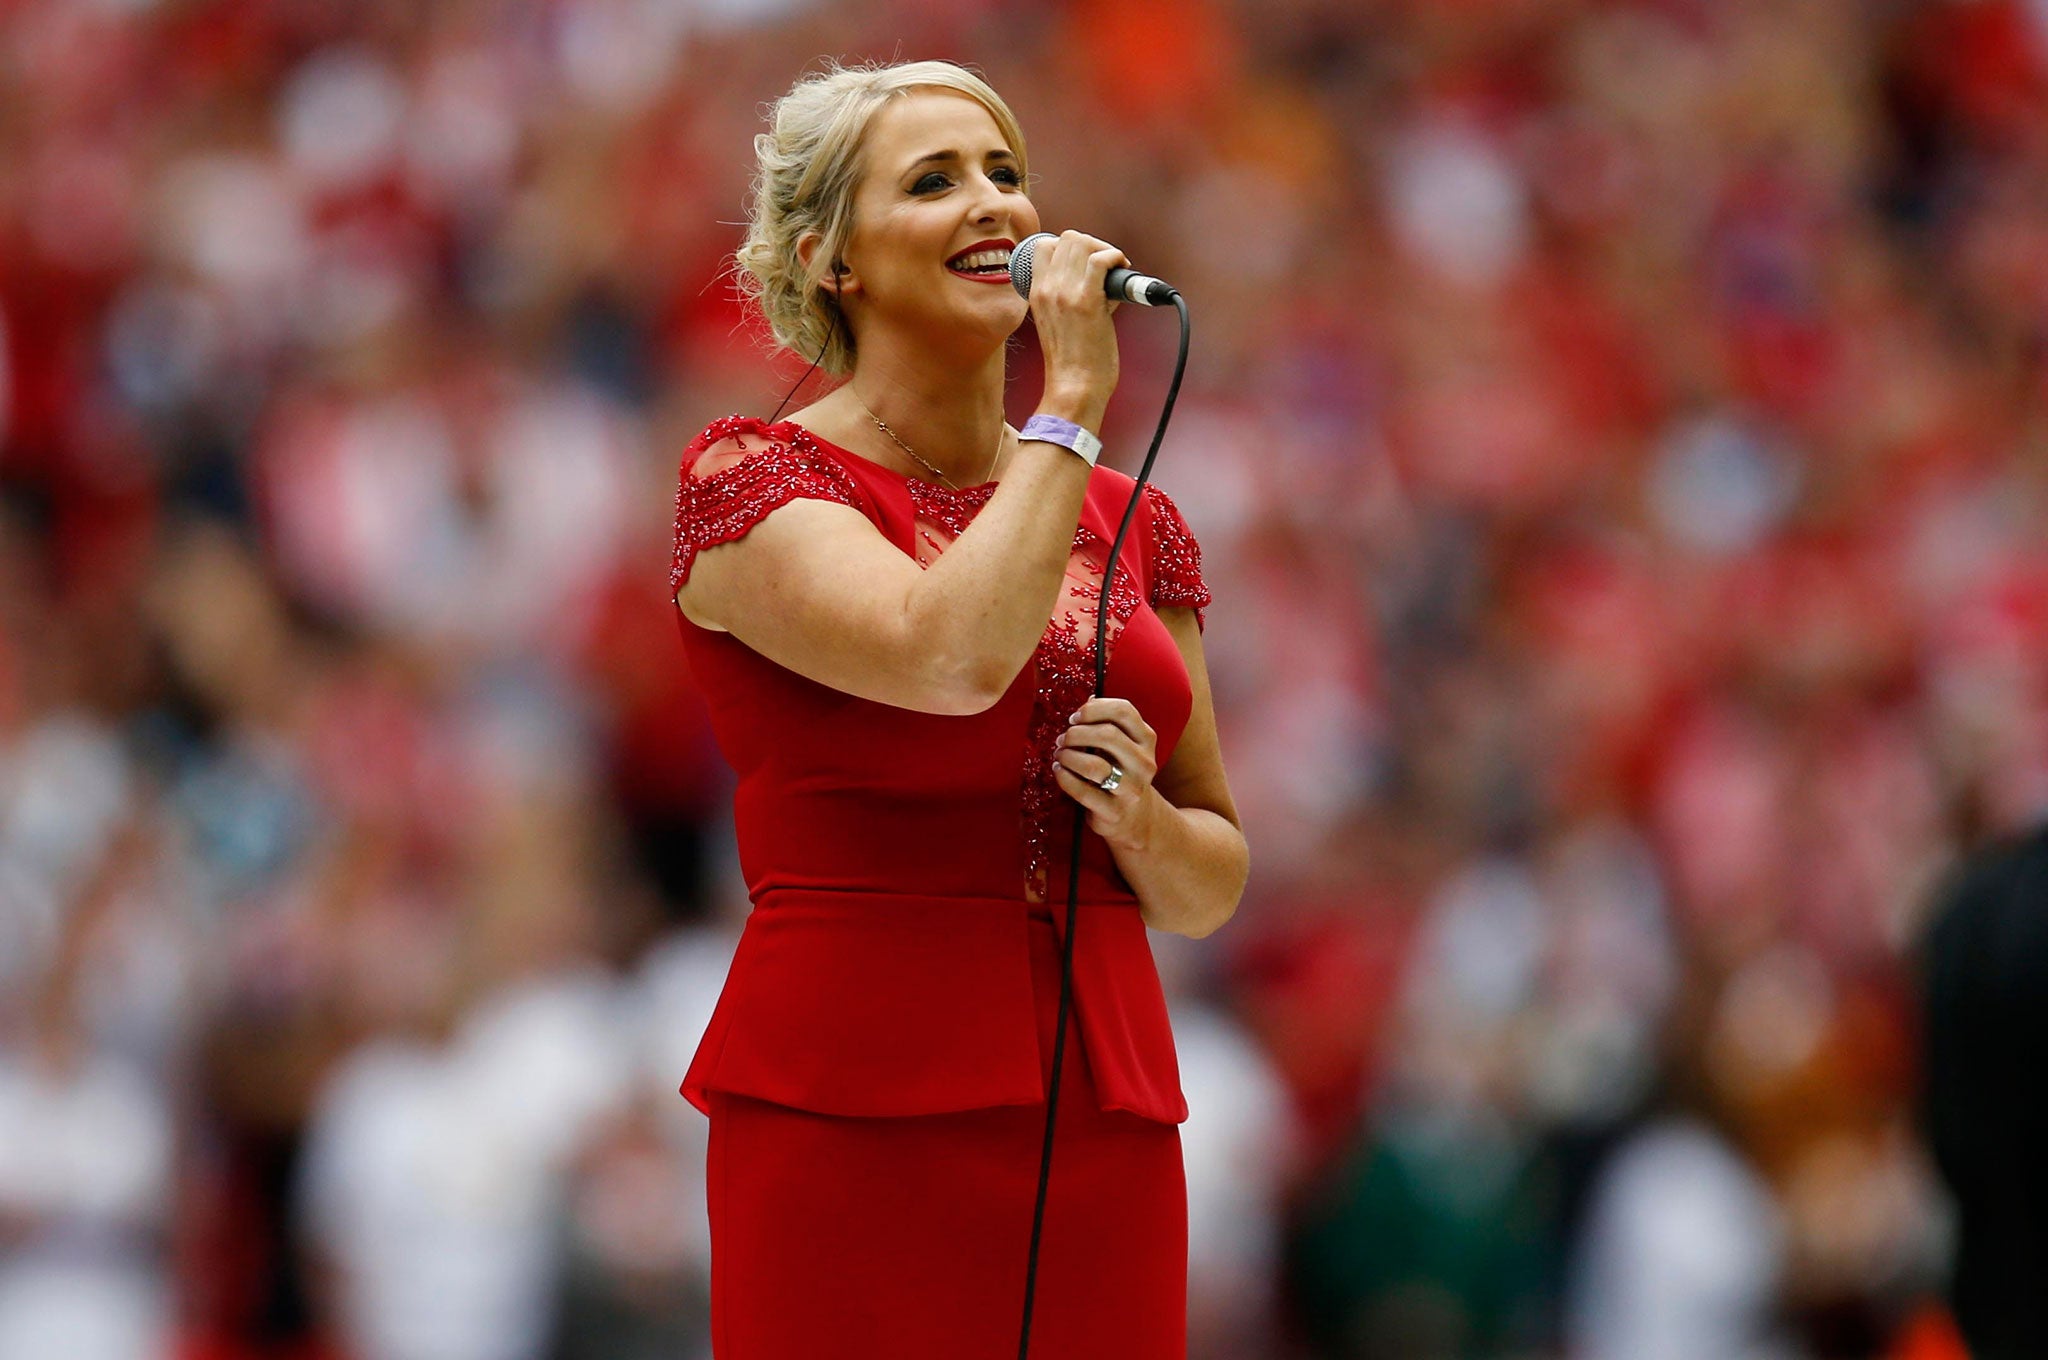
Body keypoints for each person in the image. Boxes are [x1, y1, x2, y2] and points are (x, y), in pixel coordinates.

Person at [666, 58, 1249, 1357]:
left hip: (1101, 1110)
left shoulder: (1135, 521)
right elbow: (945, 657)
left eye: (1006, 174)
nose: (995, 205)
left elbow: (1213, 881)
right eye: (935, 181)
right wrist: (1076, 404)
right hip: (854, 1100)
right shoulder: (756, 478)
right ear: (833, 262)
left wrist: (1142, 824)